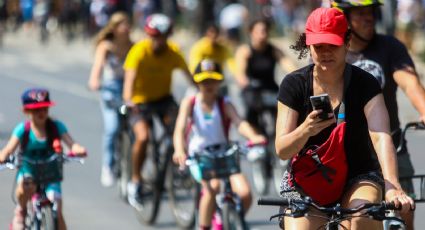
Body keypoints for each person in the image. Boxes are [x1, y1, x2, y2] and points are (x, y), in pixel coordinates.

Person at [275, 8, 414, 230]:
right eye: (318, 46)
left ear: (347, 42)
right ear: (308, 46)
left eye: (333, 44)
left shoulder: (365, 83)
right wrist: (306, 130)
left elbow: (380, 137)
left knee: (362, 217)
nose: (326, 52)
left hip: (359, 175)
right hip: (309, 180)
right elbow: (282, 150)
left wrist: (393, 186)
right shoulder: (293, 84)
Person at [331, 1, 425, 229]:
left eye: (371, 12)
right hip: (349, 151)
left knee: (405, 210)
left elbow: (409, 82)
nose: (369, 18)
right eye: (361, 13)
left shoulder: (390, 46)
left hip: (391, 143)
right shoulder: (331, 53)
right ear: (344, 18)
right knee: (349, 217)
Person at [172, 59, 266, 230]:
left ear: (219, 82)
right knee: (212, 187)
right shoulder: (190, 103)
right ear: (197, 82)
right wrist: (179, 149)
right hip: (201, 157)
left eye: (213, 80)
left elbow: (239, 122)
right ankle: (204, 226)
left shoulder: (224, 103)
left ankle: (229, 219)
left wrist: (254, 136)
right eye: (204, 81)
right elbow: (179, 129)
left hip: (224, 153)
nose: (209, 85)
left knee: (245, 193)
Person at [122, 13, 192, 207]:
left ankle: (177, 165)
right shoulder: (138, 51)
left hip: (163, 100)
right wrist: (129, 101)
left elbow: (191, 77)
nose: (157, 41)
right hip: (140, 102)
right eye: (153, 36)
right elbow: (128, 82)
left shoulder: (173, 52)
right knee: (143, 137)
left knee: (182, 127)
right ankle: (135, 181)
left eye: (161, 37)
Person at [0, 88, 86, 230]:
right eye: (36, 110)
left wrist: (78, 149)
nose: (41, 113)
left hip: (50, 175)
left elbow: (71, 143)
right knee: (25, 187)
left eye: (44, 109)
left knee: (57, 209)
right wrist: (3, 156)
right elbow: (9, 148)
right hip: (28, 173)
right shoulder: (23, 129)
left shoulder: (56, 127)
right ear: (27, 112)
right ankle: (21, 211)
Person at [88, 11, 133, 187]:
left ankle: (134, 173)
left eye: (128, 24)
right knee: (112, 128)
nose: (127, 28)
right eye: (123, 24)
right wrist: (94, 81)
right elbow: (98, 67)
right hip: (110, 91)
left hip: (129, 91)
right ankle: (108, 166)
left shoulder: (133, 46)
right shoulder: (106, 46)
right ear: (114, 28)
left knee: (136, 131)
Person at [235, 18, 297, 133]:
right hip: (252, 90)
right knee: (251, 110)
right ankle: (255, 137)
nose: (262, 35)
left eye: (265, 31)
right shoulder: (245, 51)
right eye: (258, 31)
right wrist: (243, 81)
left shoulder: (273, 50)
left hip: (270, 88)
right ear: (251, 33)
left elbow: (288, 65)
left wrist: (297, 77)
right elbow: (240, 73)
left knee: (284, 109)